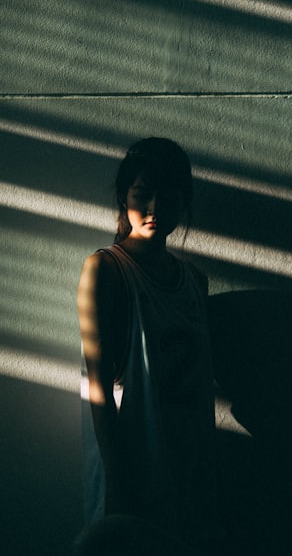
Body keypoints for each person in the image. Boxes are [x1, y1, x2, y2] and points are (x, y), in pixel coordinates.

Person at [75, 138, 223, 555]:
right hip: (134, 468)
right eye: (143, 194)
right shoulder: (106, 269)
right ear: (124, 197)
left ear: (184, 199)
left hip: (189, 471)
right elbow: (98, 387)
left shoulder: (194, 281)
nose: (155, 207)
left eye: (168, 194)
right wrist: (118, 481)